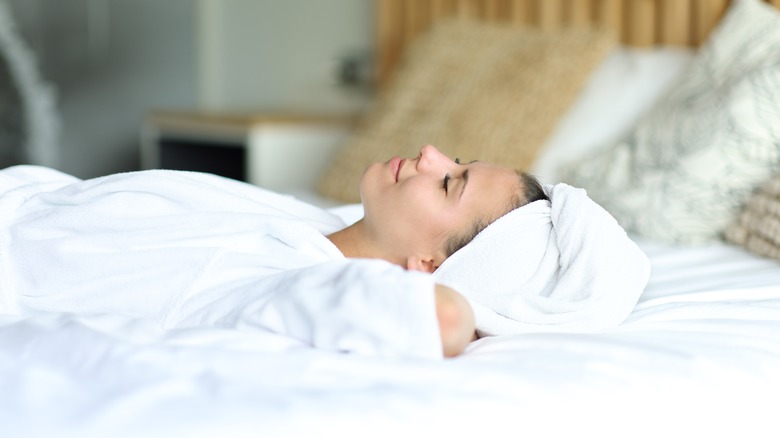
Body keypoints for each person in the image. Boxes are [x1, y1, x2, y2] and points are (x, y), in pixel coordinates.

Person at [0, 144, 546, 358]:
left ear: (428, 265)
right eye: (457, 160)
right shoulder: (316, 222)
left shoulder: (304, 283)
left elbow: (442, 316)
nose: (431, 153)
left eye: (449, 183)